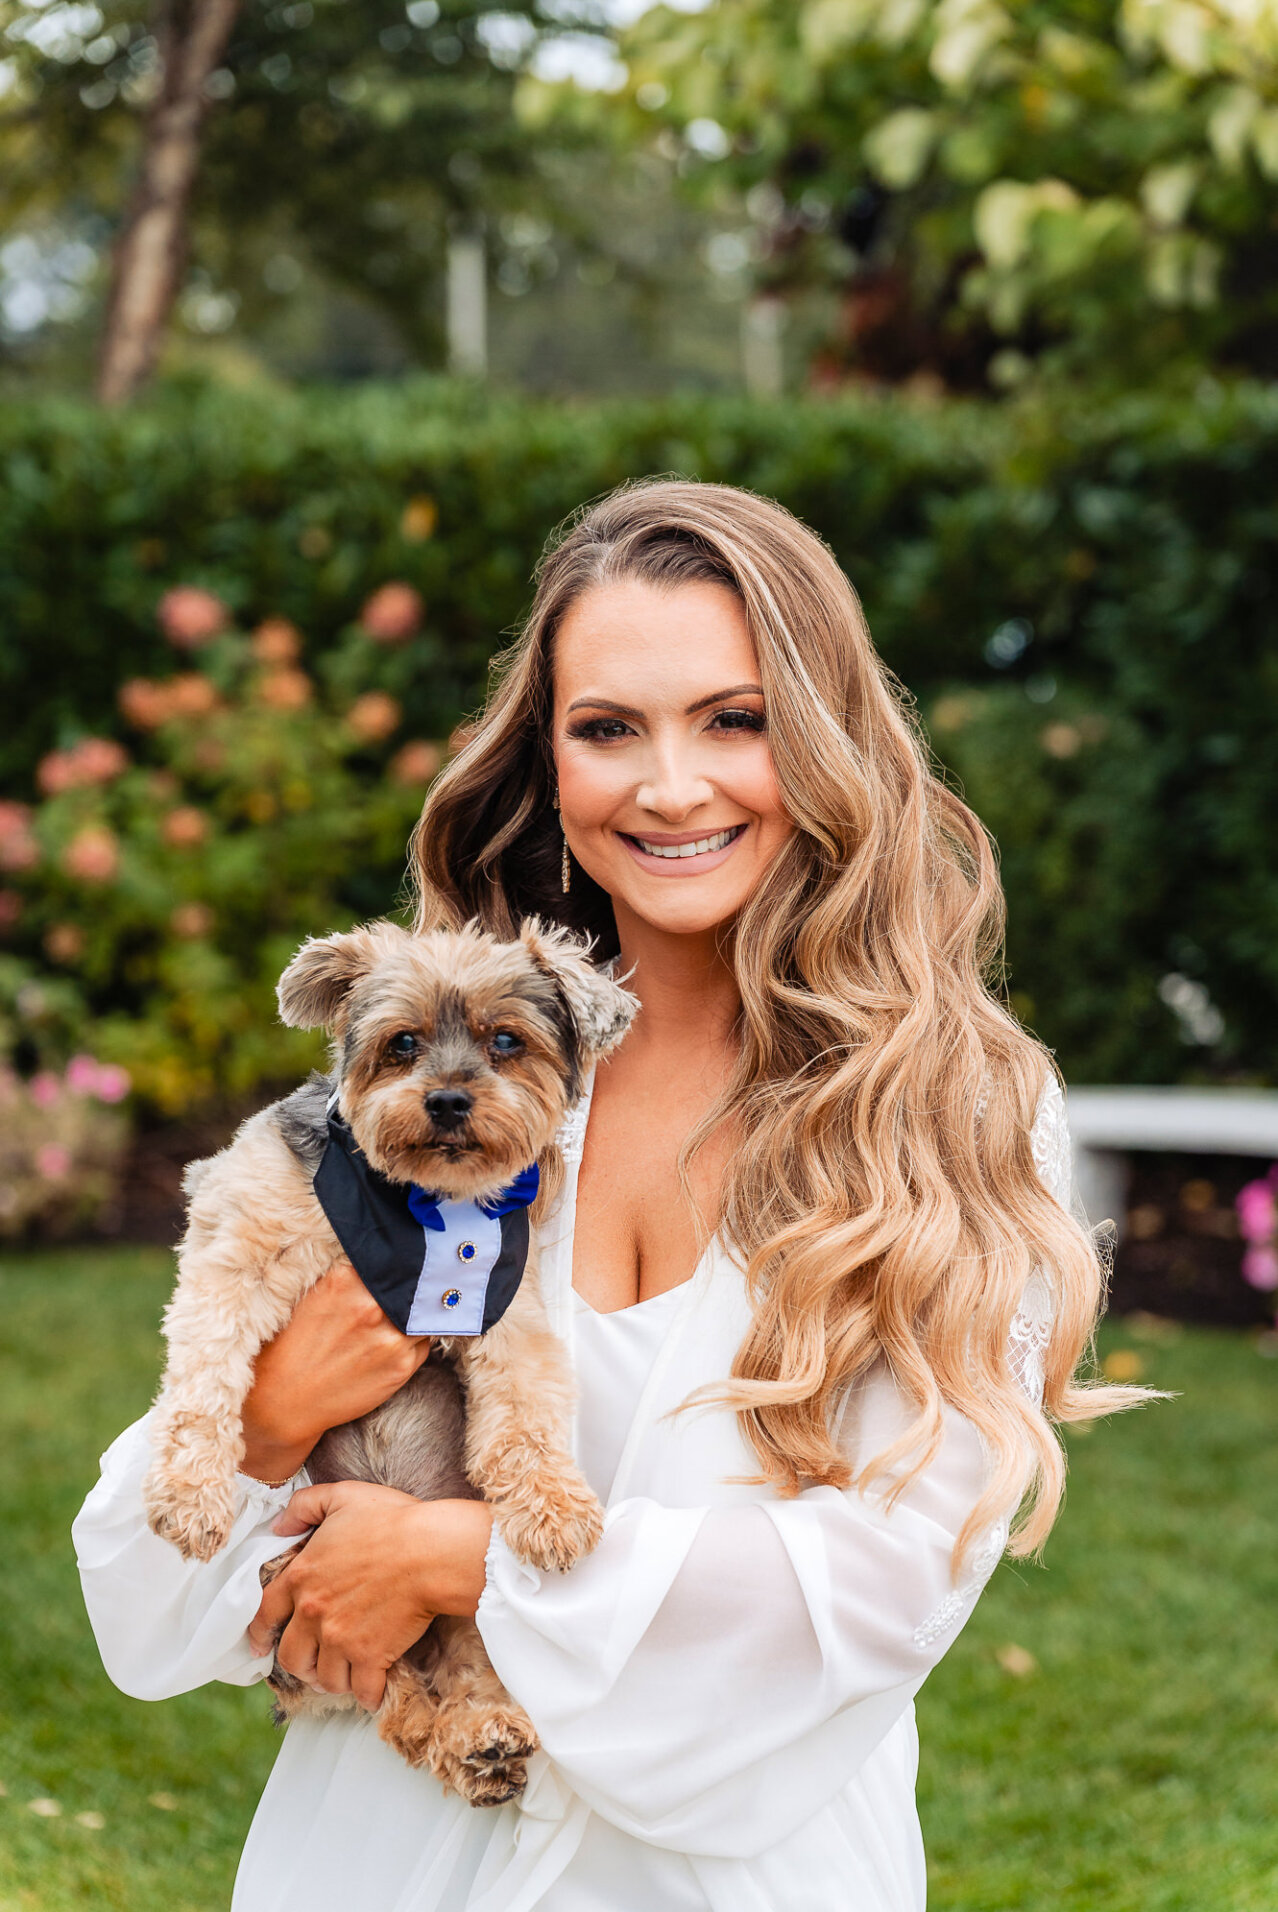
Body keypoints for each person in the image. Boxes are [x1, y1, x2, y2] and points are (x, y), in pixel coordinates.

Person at [74, 479, 1143, 1912]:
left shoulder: (956, 1115)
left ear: (821, 738)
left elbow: (888, 1587)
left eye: (733, 718)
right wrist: (270, 1425)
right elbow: (146, 1606)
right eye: (606, 729)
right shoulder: (455, 1090)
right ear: (547, 759)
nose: (670, 785)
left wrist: (452, 1560)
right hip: (375, 1854)